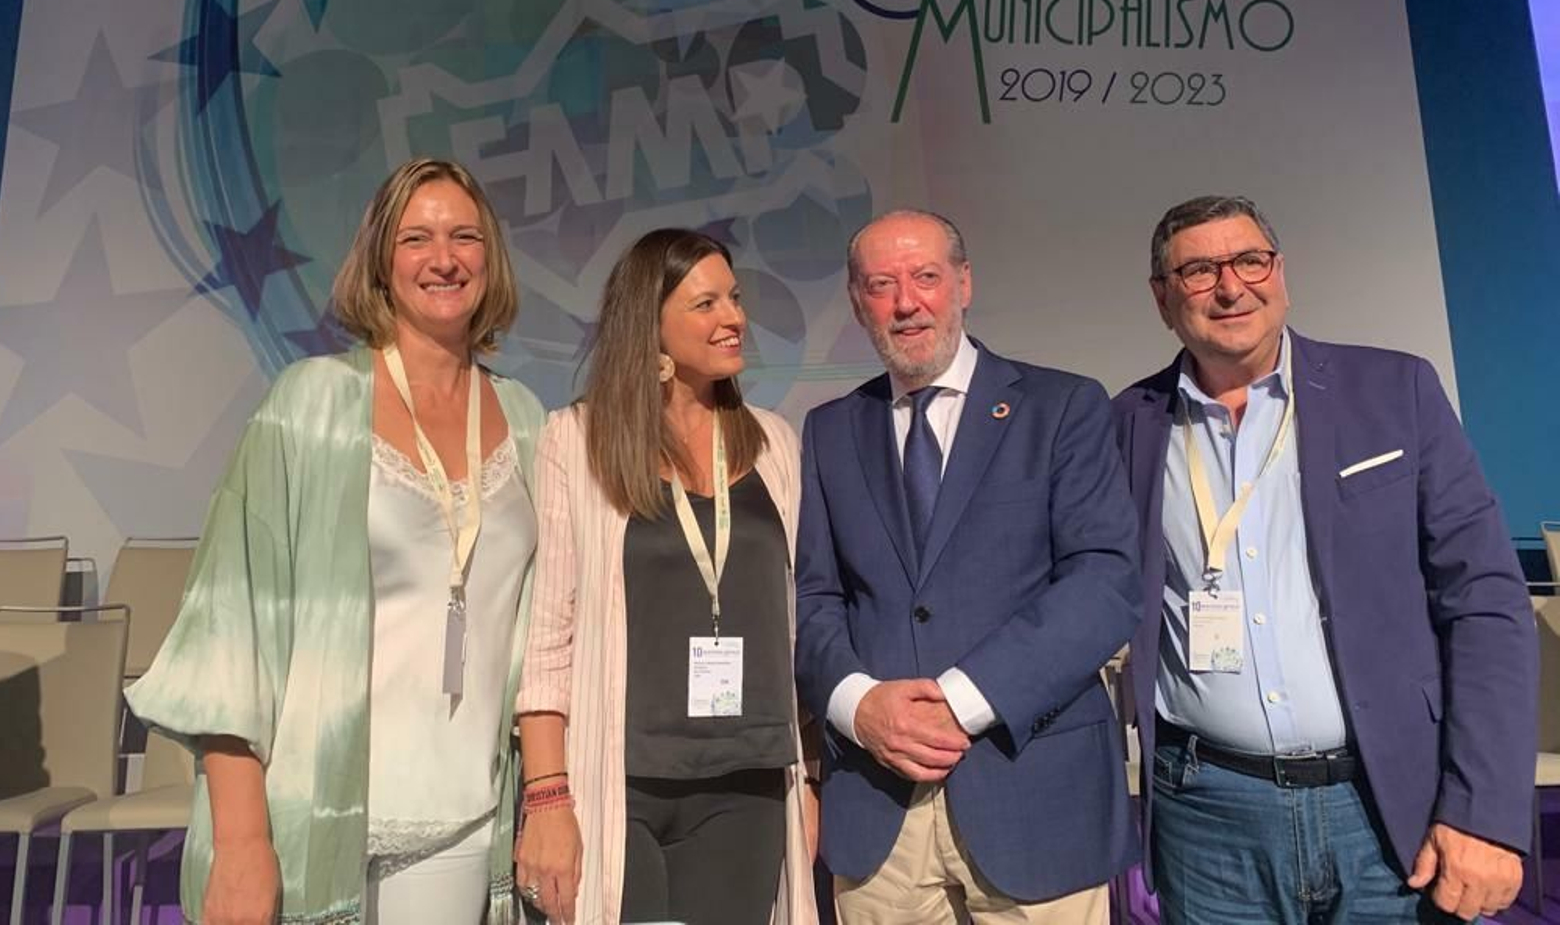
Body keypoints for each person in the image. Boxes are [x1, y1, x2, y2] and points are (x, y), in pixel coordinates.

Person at [127, 158, 546, 925]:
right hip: (309, 825)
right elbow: (231, 634)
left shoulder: (526, 420)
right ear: (381, 261)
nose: (444, 258)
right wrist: (241, 842)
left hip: (465, 819)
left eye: (464, 236)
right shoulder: (310, 404)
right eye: (416, 238)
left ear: (491, 258)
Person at [1113, 194, 1538, 924]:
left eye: (1250, 261)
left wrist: (1487, 811)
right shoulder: (1127, 423)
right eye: (1199, 271)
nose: (1230, 287)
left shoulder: (1395, 391)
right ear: (1162, 298)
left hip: (1389, 805)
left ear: (1280, 272)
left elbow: (1486, 602)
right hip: (1208, 820)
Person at [794, 208, 1142, 925]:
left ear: (964, 283)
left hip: (1034, 800)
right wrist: (858, 704)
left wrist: (962, 698)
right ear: (858, 303)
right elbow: (815, 597)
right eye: (881, 285)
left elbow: (1104, 583)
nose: (906, 302)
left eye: (925, 277)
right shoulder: (830, 430)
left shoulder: (1062, 406)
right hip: (879, 811)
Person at [512, 228, 818, 925]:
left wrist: (810, 779)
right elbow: (548, 636)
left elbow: (796, 626)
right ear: (648, 324)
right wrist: (548, 797)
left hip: (748, 782)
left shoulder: (774, 443)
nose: (734, 318)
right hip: (619, 785)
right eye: (706, 304)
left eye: (734, 298)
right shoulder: (576, 441)